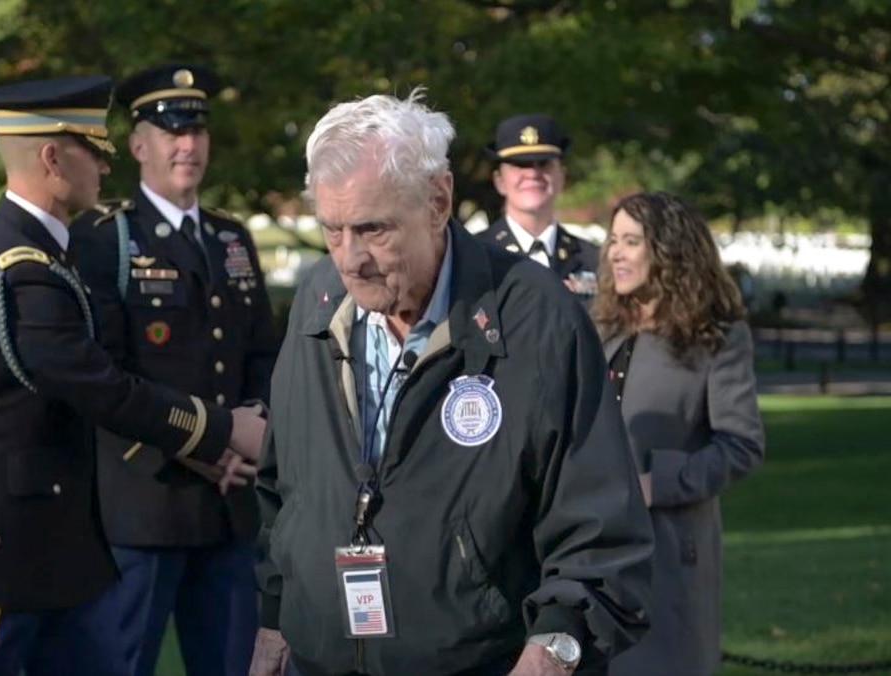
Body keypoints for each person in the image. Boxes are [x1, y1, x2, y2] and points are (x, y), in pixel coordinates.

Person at [250, 89, 654, 676]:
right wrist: (273, 618)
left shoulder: (536, 318)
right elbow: (284, 491)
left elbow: (602, 534)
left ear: (438, 200)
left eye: (372, 229)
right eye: (332, 230)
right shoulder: (318, 301)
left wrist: (554, 650)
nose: (348, 258)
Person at [0, 75, 267, 676]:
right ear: (51, 157)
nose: (104, 165)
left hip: (64, 530)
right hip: (24, 533)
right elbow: (100, 384)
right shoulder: (22, 262)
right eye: (93, 151)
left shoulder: (44, 251)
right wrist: (220, 431)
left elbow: (254, 348)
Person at [68, 63, 279, 676]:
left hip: (231, 502)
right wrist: (204, 439)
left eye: (197, 130)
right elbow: (103, 369)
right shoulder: (106, 236)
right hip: (147, 499)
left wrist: (254, 425)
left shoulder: (230, 238)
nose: (187, 144)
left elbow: (263, 351)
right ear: (137, 145)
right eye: (169, 130)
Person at [594, 191, 765, 676]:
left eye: (631, 241)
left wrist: (657, 483)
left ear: (669, 250)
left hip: (669, 555)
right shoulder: (600, 328)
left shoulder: (718, 337)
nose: (615, 253)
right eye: (612, 241)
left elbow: (741, 445)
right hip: (592, 547)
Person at [475, 114, 598, 297]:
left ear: (561, 176)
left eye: (544, 164)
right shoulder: (473, 256)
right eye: (520, 164)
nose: (533, 173)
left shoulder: (593, 260)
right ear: (499, 181)